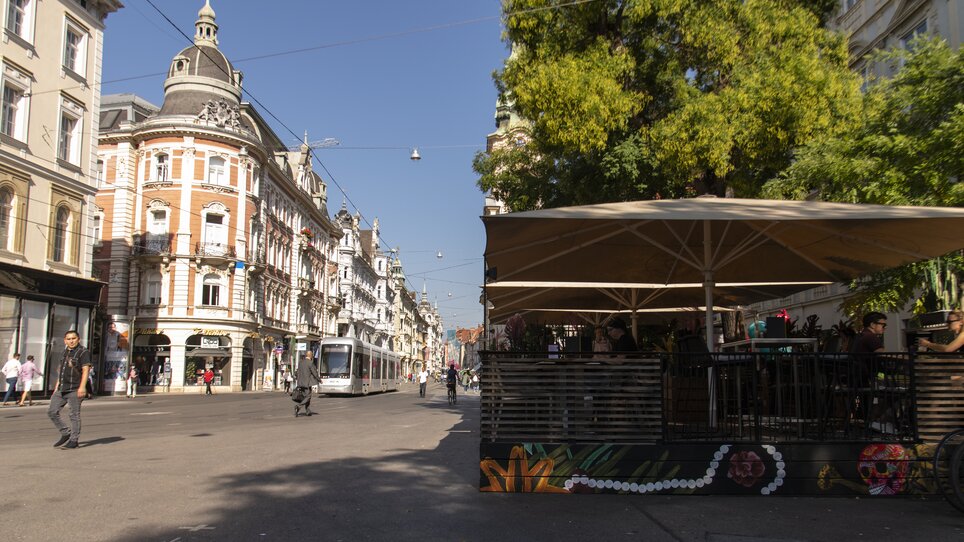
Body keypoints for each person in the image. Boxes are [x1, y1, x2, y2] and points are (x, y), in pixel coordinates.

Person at [48, 331, 91, 449]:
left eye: (73, 338)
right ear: (65, 340)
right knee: (52, 412)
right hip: (62, 388)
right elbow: (61, 370)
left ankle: (74, 440)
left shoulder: (83, 352)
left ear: (78, 339)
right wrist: (57, 385)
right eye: (68, 339)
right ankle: (65, 433)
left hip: (75, 388)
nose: (71, 341)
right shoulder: (65, 352)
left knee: (74, 415)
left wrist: (82, 387)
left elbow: (86, 370)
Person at [294, 351, 320, 417]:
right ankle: (298, 406)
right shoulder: (310, 363)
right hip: (307, 383)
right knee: (308, 397)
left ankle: (308, 411)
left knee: (306, 397)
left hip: (300, 383)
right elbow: (314, 372)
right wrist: (319, 379)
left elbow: (297, 372)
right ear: (311, 356)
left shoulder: (301, 362)